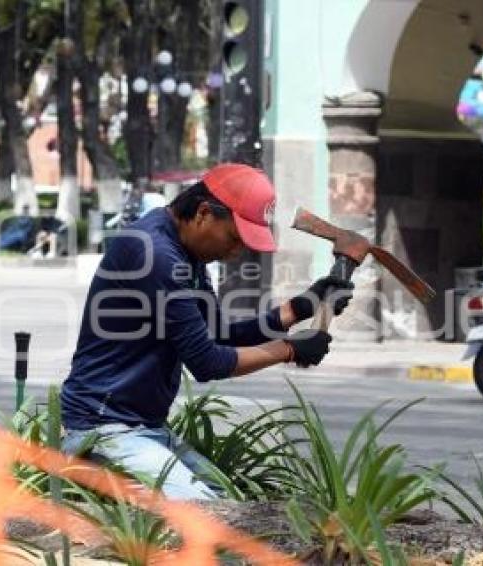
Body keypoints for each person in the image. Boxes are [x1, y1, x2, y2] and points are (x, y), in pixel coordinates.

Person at [60, 163, 354, 500]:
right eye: (234, 238)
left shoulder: (188, 253)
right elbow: (206, 362)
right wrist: (289, 350)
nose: (236, 252)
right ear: (203, 213)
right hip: (103, 428)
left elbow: (217, 333)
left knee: (229, 502)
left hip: (145, 429)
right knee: (209, 516)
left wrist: (300, 308)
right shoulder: (155, 254)